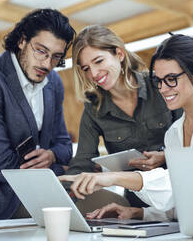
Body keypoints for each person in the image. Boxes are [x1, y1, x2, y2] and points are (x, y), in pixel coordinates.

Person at [60, 33, 193, 220]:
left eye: (171, 79)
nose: (163, 89)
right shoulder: (174, 133)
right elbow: (182, 199)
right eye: (159, 81)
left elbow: (188, 182)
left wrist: (112, 178)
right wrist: (138, 213)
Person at [0, 9, 75, 221]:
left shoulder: (53, 83)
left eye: (56, 57)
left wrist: (52, 156)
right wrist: (59, 169)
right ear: (22, 41)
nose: (47, 64)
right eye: (41, 51)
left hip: (45, 195)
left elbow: (64, 146)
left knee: (111, 207)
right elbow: (0, 166)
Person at [63, 25, 183, 210]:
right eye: (86, 68)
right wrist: (62, 194)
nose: (93, 74)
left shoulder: (159, 86)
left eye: (99, 61)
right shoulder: (93, 109)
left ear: (119, 54)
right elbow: (83, 161)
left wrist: (164, 156)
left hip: (180, 193)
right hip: (137, 205)